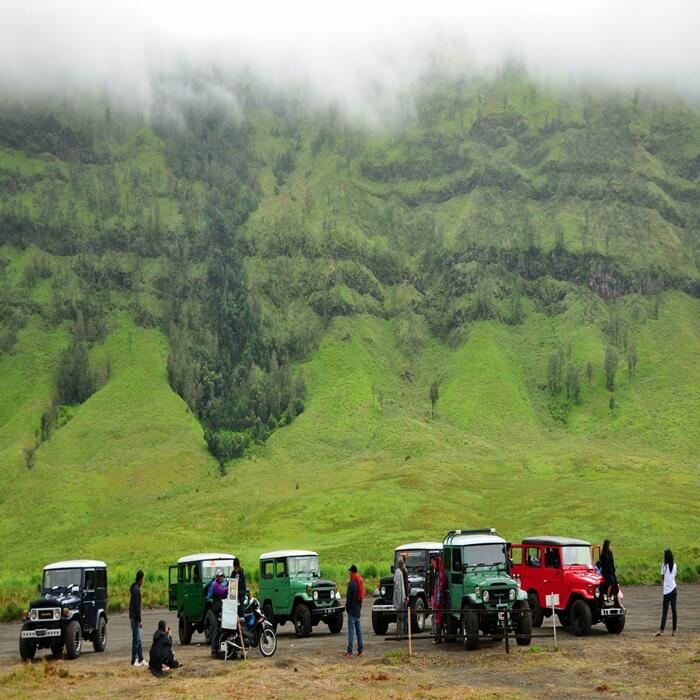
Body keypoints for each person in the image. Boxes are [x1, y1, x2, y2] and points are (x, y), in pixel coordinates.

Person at [654, 549, 678, 637]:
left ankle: (661, 630)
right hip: (674, 589)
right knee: (674, 611)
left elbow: (662, 578)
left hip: (667, 591)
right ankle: (674, 631)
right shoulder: (675, 565)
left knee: (665, 612)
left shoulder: (664, 566)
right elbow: (674, 576)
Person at [343, 564, 364, 658]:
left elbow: (349, 598)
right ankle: (360, 651)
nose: (349, 573)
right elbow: (361, 597)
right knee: (359, 632)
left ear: (352, 572)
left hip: (352, 611)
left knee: (351, 632)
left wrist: (347, 608)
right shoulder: (359, 581)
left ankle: (350, 652)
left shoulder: (351, 583)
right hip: (358, 610)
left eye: (350, 572)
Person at [207, 568, 229, 657]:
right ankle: (213, 650)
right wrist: (230, 586)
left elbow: (223, 589)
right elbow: (222, 591)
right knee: (215, 629)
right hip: (214, 611)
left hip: (218, 610)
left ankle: (218, 648)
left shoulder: (219, 584)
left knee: (221, 629)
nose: (221, 577)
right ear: (216, 576)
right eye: (219, 576)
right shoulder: (215, 585)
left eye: (222, 576)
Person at [129, 570, 146, 667]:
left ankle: (141, 658)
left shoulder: (134, 588)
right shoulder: (136, 590)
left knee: (138, 639)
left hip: (132, 616)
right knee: (136, 639)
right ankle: (134, 660)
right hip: (135, 617)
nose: (143, 581)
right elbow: (137, 607)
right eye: (143, 579)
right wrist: (140, 620)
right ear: (140, 579)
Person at [431, 555, 447, 644]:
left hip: (439, 600)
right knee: (438, 618)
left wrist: (437, 601)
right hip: (439, 599)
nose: (431, 563)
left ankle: (438, 638)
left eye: (432, 561)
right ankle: (439, 637)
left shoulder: (440, 574)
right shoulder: (438, 573)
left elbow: (439, 588)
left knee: (439, 619)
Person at [393, 559, 407, 638]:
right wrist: (400, 601)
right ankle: (399, 634)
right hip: (400, 600)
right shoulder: (399, 573)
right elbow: (399, 589)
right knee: (400, 618)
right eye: (404, 565)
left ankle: (399, 634)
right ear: (401, 565)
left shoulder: (399, 572)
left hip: (400, 599)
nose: (405, 566)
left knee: (400, 618)